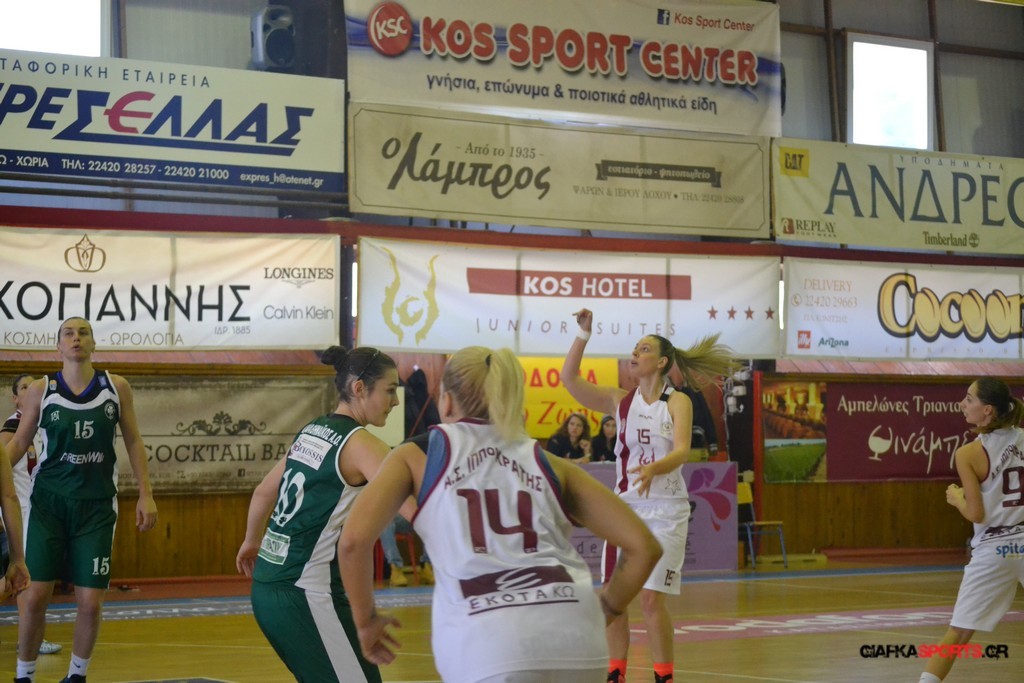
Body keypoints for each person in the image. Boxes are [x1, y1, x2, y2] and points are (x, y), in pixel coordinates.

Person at [338, 345, 662, 683]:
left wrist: (366, 622)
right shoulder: (548, 461)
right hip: (577, 638)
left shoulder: (417, 455)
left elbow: (352, 542)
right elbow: (644, 546)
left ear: (445, 402)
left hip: (488, 645)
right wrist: (607, 608)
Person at [560, 308, 738, 683]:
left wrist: (655, 468)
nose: (635, 353)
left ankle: (663, 676)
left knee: (651, 599)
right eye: (635, 348)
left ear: (661, 362)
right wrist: (583, 334)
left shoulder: (677, 401)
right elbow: (569, 379)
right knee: (614, 598)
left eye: (643, 349)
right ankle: (615, 674)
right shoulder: (620, 401)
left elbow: (682, 450)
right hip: (626, 509)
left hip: (667, 509)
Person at [235, 345, 403, 683]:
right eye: (390, 390)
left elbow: (263, 491)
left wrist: (252, 541)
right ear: (359, 388)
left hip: (267, 587)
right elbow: (416, 506)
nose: (396, 401)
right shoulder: (361, 444)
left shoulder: (312, 430)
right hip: (307, 592)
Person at [5, 317, 157, 683]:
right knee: (34, 595)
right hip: (49, 505)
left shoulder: (116, 387)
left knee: (90, 602)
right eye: (68, 333)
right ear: (58, 346)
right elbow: (19, 443)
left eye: (83, 332)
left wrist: (146, 493)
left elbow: (133, 440)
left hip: (96, 507)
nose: (76, 338)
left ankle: (76, 676)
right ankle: (24, 675)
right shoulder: (41, 389)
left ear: (93, 343)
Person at [918, 378, 1024, 683]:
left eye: (969, 398)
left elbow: (976, 513)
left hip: (995, 548)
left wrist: (957, 498)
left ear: (987, 409)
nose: (962, 404)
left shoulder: (968, 453)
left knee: (959, 633)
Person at [0, 374, 63, 656]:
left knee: (27, 577)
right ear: (15, 398)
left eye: (33, 385)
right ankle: (29, 639)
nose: (30, 390)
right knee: (25, 577)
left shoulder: (39, 425)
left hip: (35, 511)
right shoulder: (13, 427)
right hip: (17, 514)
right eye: (24, 387)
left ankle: (30, 638)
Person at [379, 514, 433, 587]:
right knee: (384, 520)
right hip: (387, 519)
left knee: (430, 517)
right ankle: (395, 567)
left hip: (408, 516)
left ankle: (426, 565)